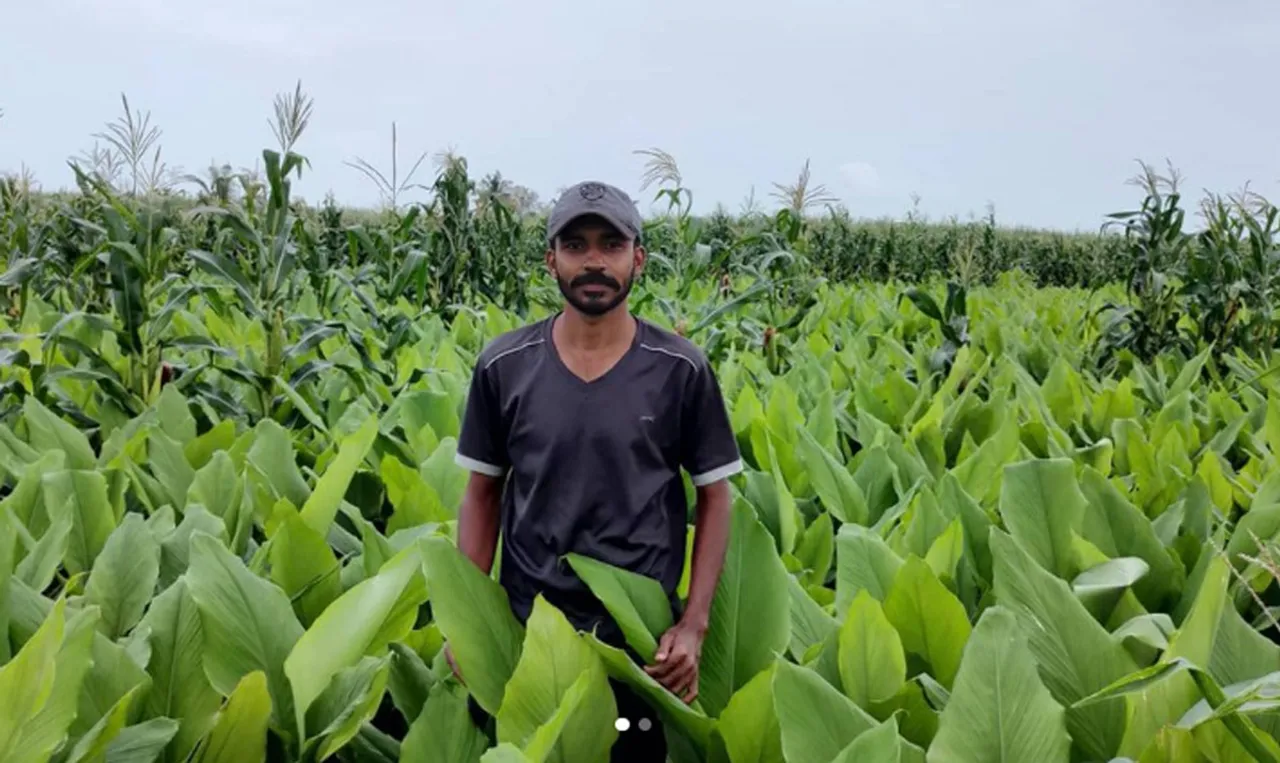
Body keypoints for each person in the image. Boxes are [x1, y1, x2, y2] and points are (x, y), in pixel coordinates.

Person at [445, 180, 742, 762]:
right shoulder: (504, 366)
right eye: (576, 245)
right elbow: (482, 494)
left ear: (639, 258)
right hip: (530, 634)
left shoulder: (680, 370)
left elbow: (716, 497)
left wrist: (694, 624)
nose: (594, 262)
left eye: (611, 244)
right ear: (551, 259)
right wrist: (466, 620)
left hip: (641, 644)